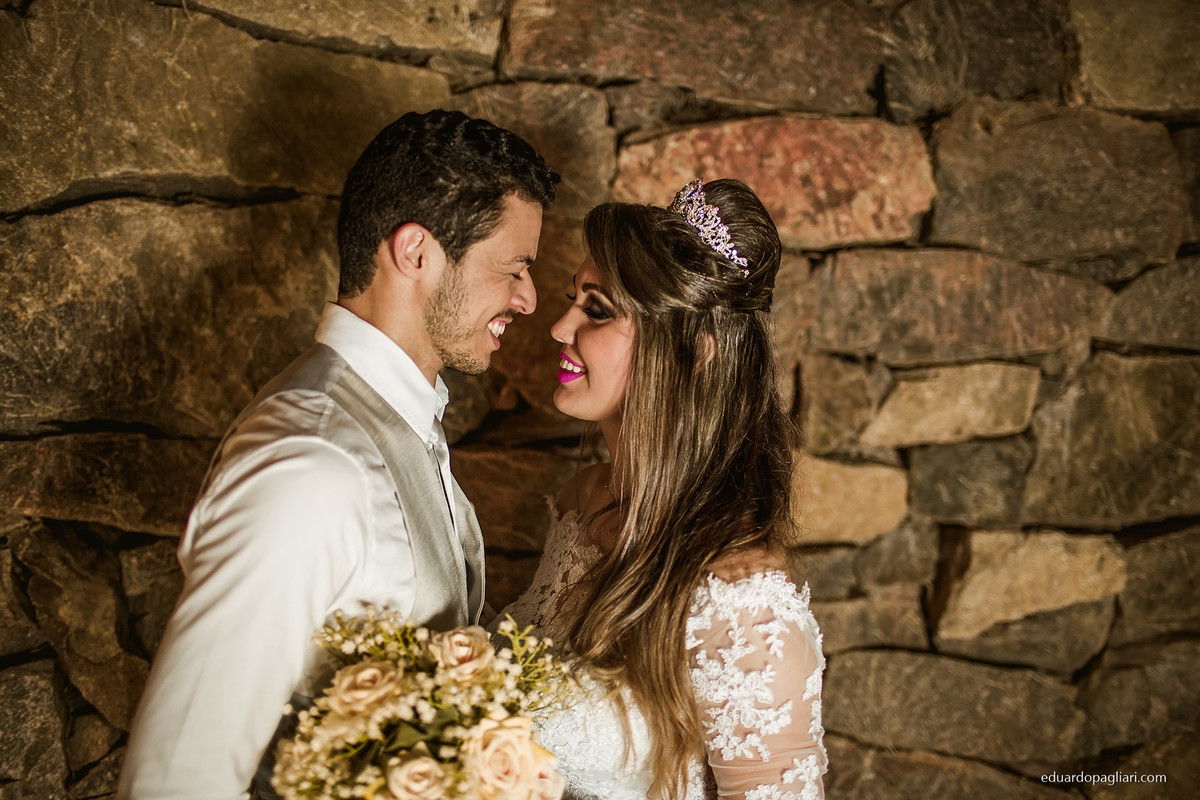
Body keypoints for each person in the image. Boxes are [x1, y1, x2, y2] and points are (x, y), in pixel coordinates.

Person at [119, 109, 559, 800]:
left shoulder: (404, 420)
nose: (528, 299)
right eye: (514, 270)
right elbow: (175, 777)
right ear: (416, 253)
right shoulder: (310, 465)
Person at [499, 179, 827, 800]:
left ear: (691, 352)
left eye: (597, 310)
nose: (560, 328)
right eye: (573, 300)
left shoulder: (743, 607)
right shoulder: (582, 503)